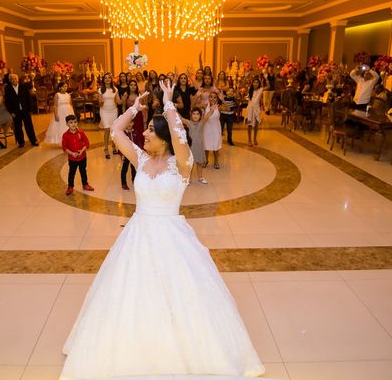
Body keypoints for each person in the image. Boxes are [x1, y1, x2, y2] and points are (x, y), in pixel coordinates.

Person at [60, 81, 264, 378]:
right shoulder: (140, 159)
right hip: (138, 235)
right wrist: (133, 109)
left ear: (165, 138)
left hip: (171, 236)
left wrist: (169, 104)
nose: (143, 133)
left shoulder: (182, 163)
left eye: (150, 132)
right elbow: (116, 131)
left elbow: (181, 138)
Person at [61, 114, 94, 196]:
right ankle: (70, 187)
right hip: (72, 159)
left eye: (75, 122)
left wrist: (82, 151)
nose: (73, 124)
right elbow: (64, 147)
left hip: (82, 157)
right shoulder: (65, 135)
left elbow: (87, 143)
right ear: (67, 124)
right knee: (72, 172)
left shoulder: (81, 132)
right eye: (71, 122)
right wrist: (72, 153)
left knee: (83, 171)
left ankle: (85, 184)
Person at [4, 73, 38, 147]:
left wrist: (29, 110)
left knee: (29, 126)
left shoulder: (23, 87)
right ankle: (21, 142)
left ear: (18, 79)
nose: (14, 80)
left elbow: (28, 99)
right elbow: (7, 102)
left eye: (15, 78)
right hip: (15, 111)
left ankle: (33, 140)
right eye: (12, 79)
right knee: (18, 127)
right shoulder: (8, 89)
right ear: (10, 80)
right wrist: (11, 112)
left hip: (25, 110)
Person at [180, 106, 207, 184]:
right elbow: (181, 118)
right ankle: (189, 178)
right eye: (193, 114)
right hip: (191, 148)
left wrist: (211, 110)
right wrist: (173, 110)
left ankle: (200, 177)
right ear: (191, 115)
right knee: (191, 164)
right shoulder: (189, 123)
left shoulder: (201, 123)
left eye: (197, 114)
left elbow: (207, 116)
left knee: (199, 163)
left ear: (200, 116)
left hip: (199, 148)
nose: (195, 116)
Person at [43, 81, 74, 146]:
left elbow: (70, 104)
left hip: (68, 111)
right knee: (61, 126)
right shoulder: (57, 95)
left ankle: (69, 140)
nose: (65, 88)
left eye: (66, 86)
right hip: (60, 111)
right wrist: (56, 115)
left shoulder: (68, 95)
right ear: (60, 88)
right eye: (63, 86)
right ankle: (62, 141)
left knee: (69, 125)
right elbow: (55, 105)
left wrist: (72, 113)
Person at [98, 73, 118, 158]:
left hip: (114, 111)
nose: (107, 79)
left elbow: (117, 102)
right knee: (107, 129)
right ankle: (106, 149)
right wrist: (101, 102)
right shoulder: (100, 90)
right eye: (105, 78)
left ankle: (113, 146)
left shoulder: (115, 89)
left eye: (109, 78)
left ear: (111, 79)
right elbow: (100, 104)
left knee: (113, 130)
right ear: (103, 80)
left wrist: (124, 100)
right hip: (104, 111)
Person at [203, 91, 222, 169]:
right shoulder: (205, 106)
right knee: (206, 145)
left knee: (215, 145)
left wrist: (222, 99)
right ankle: (205, 160)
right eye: (211, 97)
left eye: (214, 97)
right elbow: (193, 105)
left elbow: (228, 108)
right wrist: (197, 96)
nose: (212, 98)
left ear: (217, 98)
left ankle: (216, 161)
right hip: (207, 128)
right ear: (208, 98)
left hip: (216, 128)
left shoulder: (219, 107)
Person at [120, 119, 137, 190]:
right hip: (126, 154)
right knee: (125, 168)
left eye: (132, 122)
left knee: (134, 168)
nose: (130, 124)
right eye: (128, 122)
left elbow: (137, 143)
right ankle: (123, 183)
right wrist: (122, 154)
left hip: (133, 153)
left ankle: (134, 179)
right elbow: (120, 145)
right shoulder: (123, 134)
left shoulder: (135, 132)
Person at [245, 77, 264, 146]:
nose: (255, 84)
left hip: (256, 109)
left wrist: (266, 78)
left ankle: (255, 139)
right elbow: (244, 83)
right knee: (249, 125)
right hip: (250, 109)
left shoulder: (260, 90)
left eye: (257, 82)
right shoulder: (250, 90)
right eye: (254, 82)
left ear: (259, 84)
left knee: (256, 125)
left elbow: (268, 86)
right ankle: (249, 140)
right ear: (252, 83)